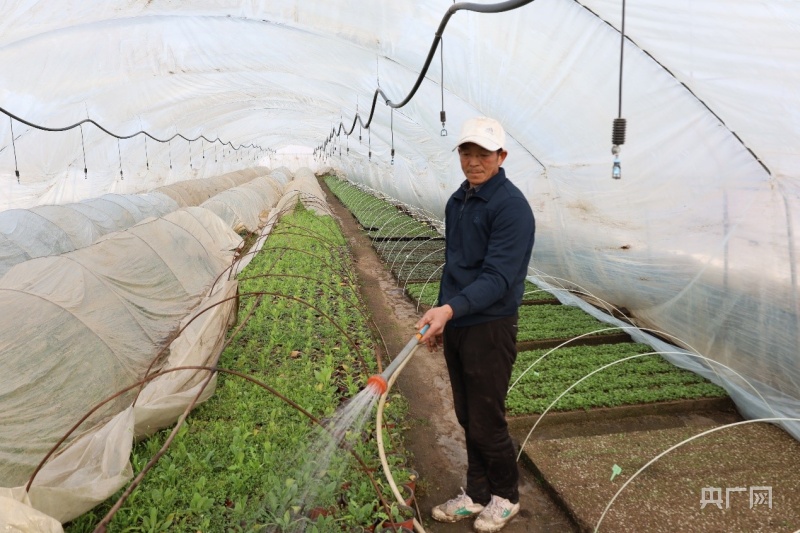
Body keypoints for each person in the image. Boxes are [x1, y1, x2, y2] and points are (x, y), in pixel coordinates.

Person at [415, 116, 535, 532]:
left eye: (483, 154)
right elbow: (455, 267)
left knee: (487, 418)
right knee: (467, 414)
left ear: (501, 156)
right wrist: (443, 314)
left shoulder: (511, 208)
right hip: (460, 320)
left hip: (490, 325)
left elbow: (498, 278)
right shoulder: (458, 201)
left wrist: (450, 310)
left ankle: (507, 496)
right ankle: (477, 493)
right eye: (466, 153)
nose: (473, 161)